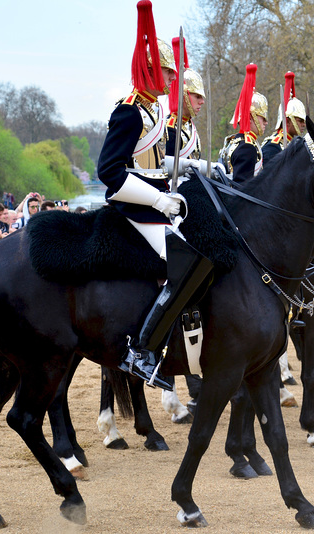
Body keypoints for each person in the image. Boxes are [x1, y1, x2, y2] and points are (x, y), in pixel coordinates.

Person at [96, 0, 213, 391]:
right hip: (135, 208)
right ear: (148, 69)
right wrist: (159, 200)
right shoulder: (129, 112)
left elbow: (157, 165)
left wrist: (186, 174)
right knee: (181, 266)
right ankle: (143, 351)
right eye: (165, 70)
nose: (170, 78)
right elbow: (110, 173)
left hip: (157, 202)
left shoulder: (155, 114)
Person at [218, 64, 268, 184]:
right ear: (251, 118)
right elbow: (242, 189)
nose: (266, 122)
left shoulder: (234, 140)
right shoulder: (247, 147)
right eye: (263, 118)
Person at [261, 72, 306, 165]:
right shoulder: (273, 148)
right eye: (300, 121)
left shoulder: (294, 144)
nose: (304, 125)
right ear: (288, 121)